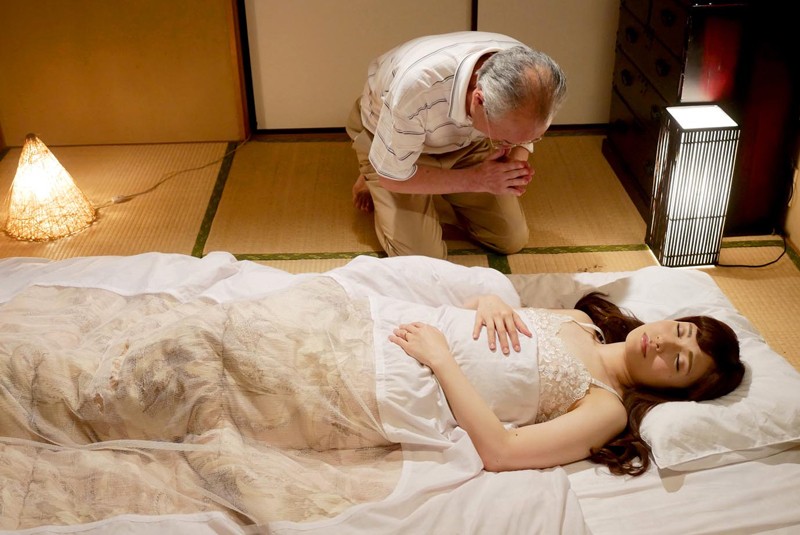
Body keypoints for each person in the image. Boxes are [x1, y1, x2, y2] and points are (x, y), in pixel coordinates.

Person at [389, 290, 745, 476]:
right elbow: (470, 322)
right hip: (403, 326)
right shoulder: (579, 320)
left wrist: (440, 360)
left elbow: (501, 452)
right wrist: (488, 301)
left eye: (679, 362)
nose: (663, 343)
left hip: (409, 381)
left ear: (673, 392)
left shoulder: (608, 410)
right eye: (680, 331)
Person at [346, 31, 567, 259]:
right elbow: (392, 178)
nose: (513, 145)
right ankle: (372, 168)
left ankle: (433, 189)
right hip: (393, 137)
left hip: (466, 143)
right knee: (424, 259)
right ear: (479, 100)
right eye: (507, 140)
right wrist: (479, 180)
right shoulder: (416, 87)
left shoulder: (531, 74)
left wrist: (512, 165)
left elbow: (524, 131)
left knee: (510, 239)